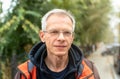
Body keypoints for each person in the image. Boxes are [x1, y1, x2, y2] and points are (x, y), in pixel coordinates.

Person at [14, 9, 100, 79]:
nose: (61, 38)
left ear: (72, 38)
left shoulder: (89, 70)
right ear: (42, 36)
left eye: (66, 32)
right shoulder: (26, 73)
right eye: (54, 32)